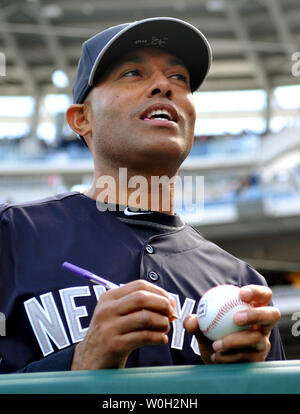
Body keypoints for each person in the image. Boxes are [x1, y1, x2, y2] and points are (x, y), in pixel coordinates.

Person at [0, 17, 284, 373]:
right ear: (81, 119)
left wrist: (233, 382)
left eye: (178, 77)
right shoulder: (11, 234)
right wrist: (80, 363)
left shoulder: (241, 284)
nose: (163, 86)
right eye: (132, 73)